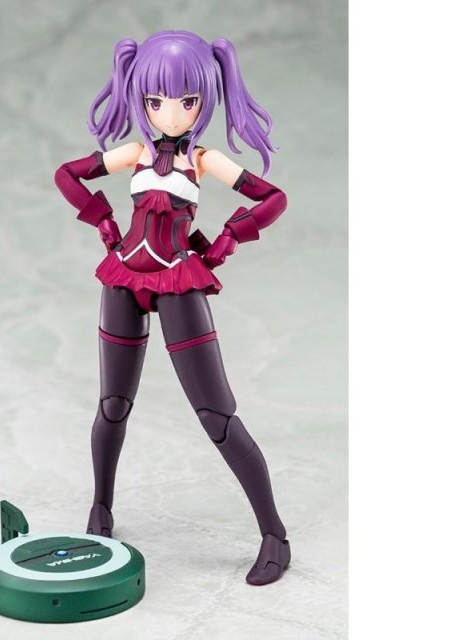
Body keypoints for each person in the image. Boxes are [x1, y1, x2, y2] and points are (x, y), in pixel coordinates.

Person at [54, 31, 289, 585]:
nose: (171, 113)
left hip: (179, 280)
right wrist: (103, 220)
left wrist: (228, 238)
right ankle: (101, 507)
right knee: (113, 404)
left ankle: (274, 534)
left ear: (205, 99)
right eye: (155, 100)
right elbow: (67, 175)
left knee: (217, 415)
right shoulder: (135, 153)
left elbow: (273, 198)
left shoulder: (204, 160)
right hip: (123, 277)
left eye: (187, 101)